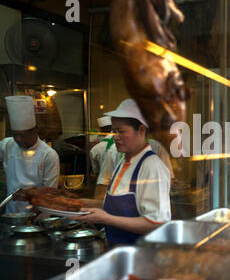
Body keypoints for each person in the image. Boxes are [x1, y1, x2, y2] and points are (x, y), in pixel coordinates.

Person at [74, 99, 171, 247]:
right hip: (118, 251)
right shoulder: (123, 161)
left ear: (141, 130)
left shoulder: (152, 167)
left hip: (141, 256)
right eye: (114, 131)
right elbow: (117, 207)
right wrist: (78, 205)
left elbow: (157, 223)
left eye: (121, 131)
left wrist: (106, 219)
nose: (115, 136)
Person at [0, 96, 59, 213]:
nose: (18, 139)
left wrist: (34, 217)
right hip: (11, 214)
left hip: (38, 217)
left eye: (23, 135)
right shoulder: (7, 145)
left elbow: (50, 194)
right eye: (15, 134)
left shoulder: (49, 155)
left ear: (35, 131)